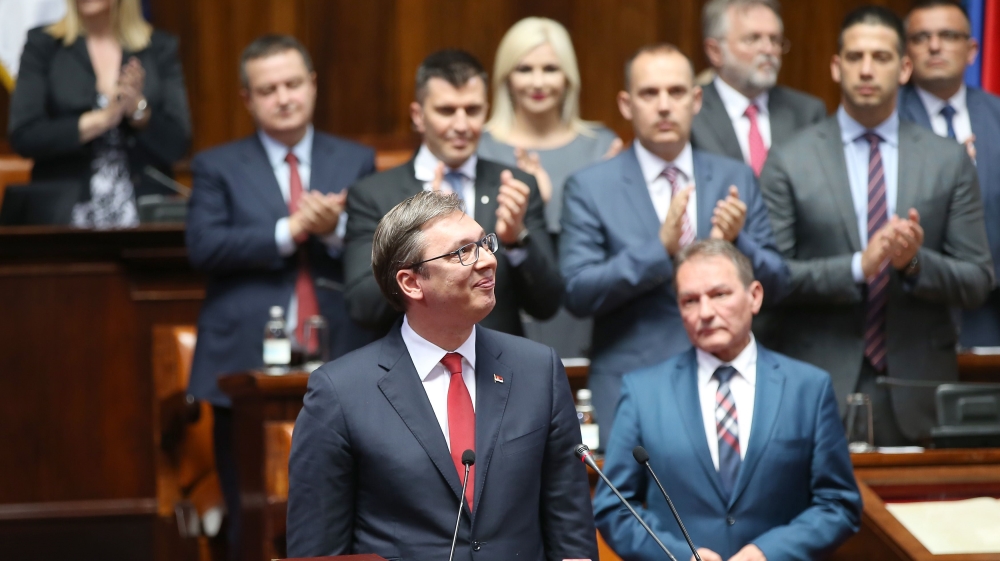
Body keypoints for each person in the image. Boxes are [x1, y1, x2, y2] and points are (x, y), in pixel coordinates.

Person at [287, 191, 598, 561]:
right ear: (412, 283)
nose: (487, 261)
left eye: (484, 243)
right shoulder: (340, 393)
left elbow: (571, 530)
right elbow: (321, 552)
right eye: (462, 252)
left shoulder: (538, 369)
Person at [758, 6, 993, 446]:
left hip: (918, 389)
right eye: (855, 57)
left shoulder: (947, 160)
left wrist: (914, 263)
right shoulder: (790, 160)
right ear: (835, 65)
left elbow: (978, 280)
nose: (867, 70)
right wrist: (855, 267)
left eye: (881, 57)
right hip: (815, 387)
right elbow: (769, 278)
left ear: (905, 68)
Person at [185, 34, 377, 558]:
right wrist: (289, 229)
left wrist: (337, 229)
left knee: (350, 505)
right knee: (251, 509)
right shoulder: (217, 165)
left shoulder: (356, 159)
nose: (284, 97)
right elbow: (203, 246)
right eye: (268, 89)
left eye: (293, 84)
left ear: (313, 85)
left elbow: (381, 246)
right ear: (247, 99)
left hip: (341, 349)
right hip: (243, 361)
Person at [560, 44, 788, 448]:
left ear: (696, 100)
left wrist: (739, 242)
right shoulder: (590, 186)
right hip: (632, 384)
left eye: (677, 92)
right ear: (627, 105)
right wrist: (659, 250)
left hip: (729, 379)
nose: (664, 106)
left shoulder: (734, 177)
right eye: (649, 94)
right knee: (634, 506)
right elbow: (578, 291)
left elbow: (777, 282)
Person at [594, 239, 861, 561]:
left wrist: (768, 553)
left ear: (755, 296)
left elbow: (838, 503)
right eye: (690, 300)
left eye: (719, 295)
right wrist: (678, 556)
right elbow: (615, 506)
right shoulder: (644, 392)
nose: (705, 313)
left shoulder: (808, 388)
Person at [345, 49, 562, 337]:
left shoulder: (515, 186)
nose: (461, 126)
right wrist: (421, 231)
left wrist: (517, 241)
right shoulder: (373, 194)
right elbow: (362, 306)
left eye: (472, 110)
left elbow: (547, 305)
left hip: (497, 365)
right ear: (418, 116)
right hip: (409, 368)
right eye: (446, 111)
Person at [478, 16, 622, 359]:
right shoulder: (480, 147)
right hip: (503, 317)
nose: (538, 82)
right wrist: (531, 206)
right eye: (525, 69)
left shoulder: (601, 146)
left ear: (568, 76)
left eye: (550, 69)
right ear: (506, 78)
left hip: (588, 317)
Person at [8, 0, 191, 228]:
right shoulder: (44, 45)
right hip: (63, 215)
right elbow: (24, 135)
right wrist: (103, 119)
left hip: (142, 213)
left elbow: (178, 144)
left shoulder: (159, 47)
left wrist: (138, 111)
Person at [900, 0, 1000, 347]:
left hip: (990, 307)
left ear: (972, 50)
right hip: (912, 305)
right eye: (921, 37)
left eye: (948, 35)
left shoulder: (995, 114)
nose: (935, 46)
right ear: (906, 52)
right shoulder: (886, 117)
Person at [692, 0, 825, 177]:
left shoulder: (807, 113)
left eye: (774, 39)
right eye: (753, 39)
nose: (768, 49)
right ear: (715, 51)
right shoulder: (691, 112)